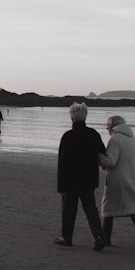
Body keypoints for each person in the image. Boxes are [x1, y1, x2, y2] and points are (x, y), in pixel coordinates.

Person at [99, 115, 135, 252]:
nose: (107, 128)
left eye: (107, 125)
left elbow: (111, 162)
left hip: (118, 180)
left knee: (108, 209)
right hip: (133, 177)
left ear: (112, 125)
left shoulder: (115, 139)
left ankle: (106, 238)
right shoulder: (133, 140)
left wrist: (99, 157)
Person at [55, 102, 105, 251]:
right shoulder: (93, 134)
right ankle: (99, 236)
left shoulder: (68, 136)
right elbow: (102, 153)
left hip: (70, 179)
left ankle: (67, 237)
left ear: (72, 118)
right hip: (89, 178)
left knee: (69, 209)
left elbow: (62, 162)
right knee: (91, 209)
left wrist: (61, 185)